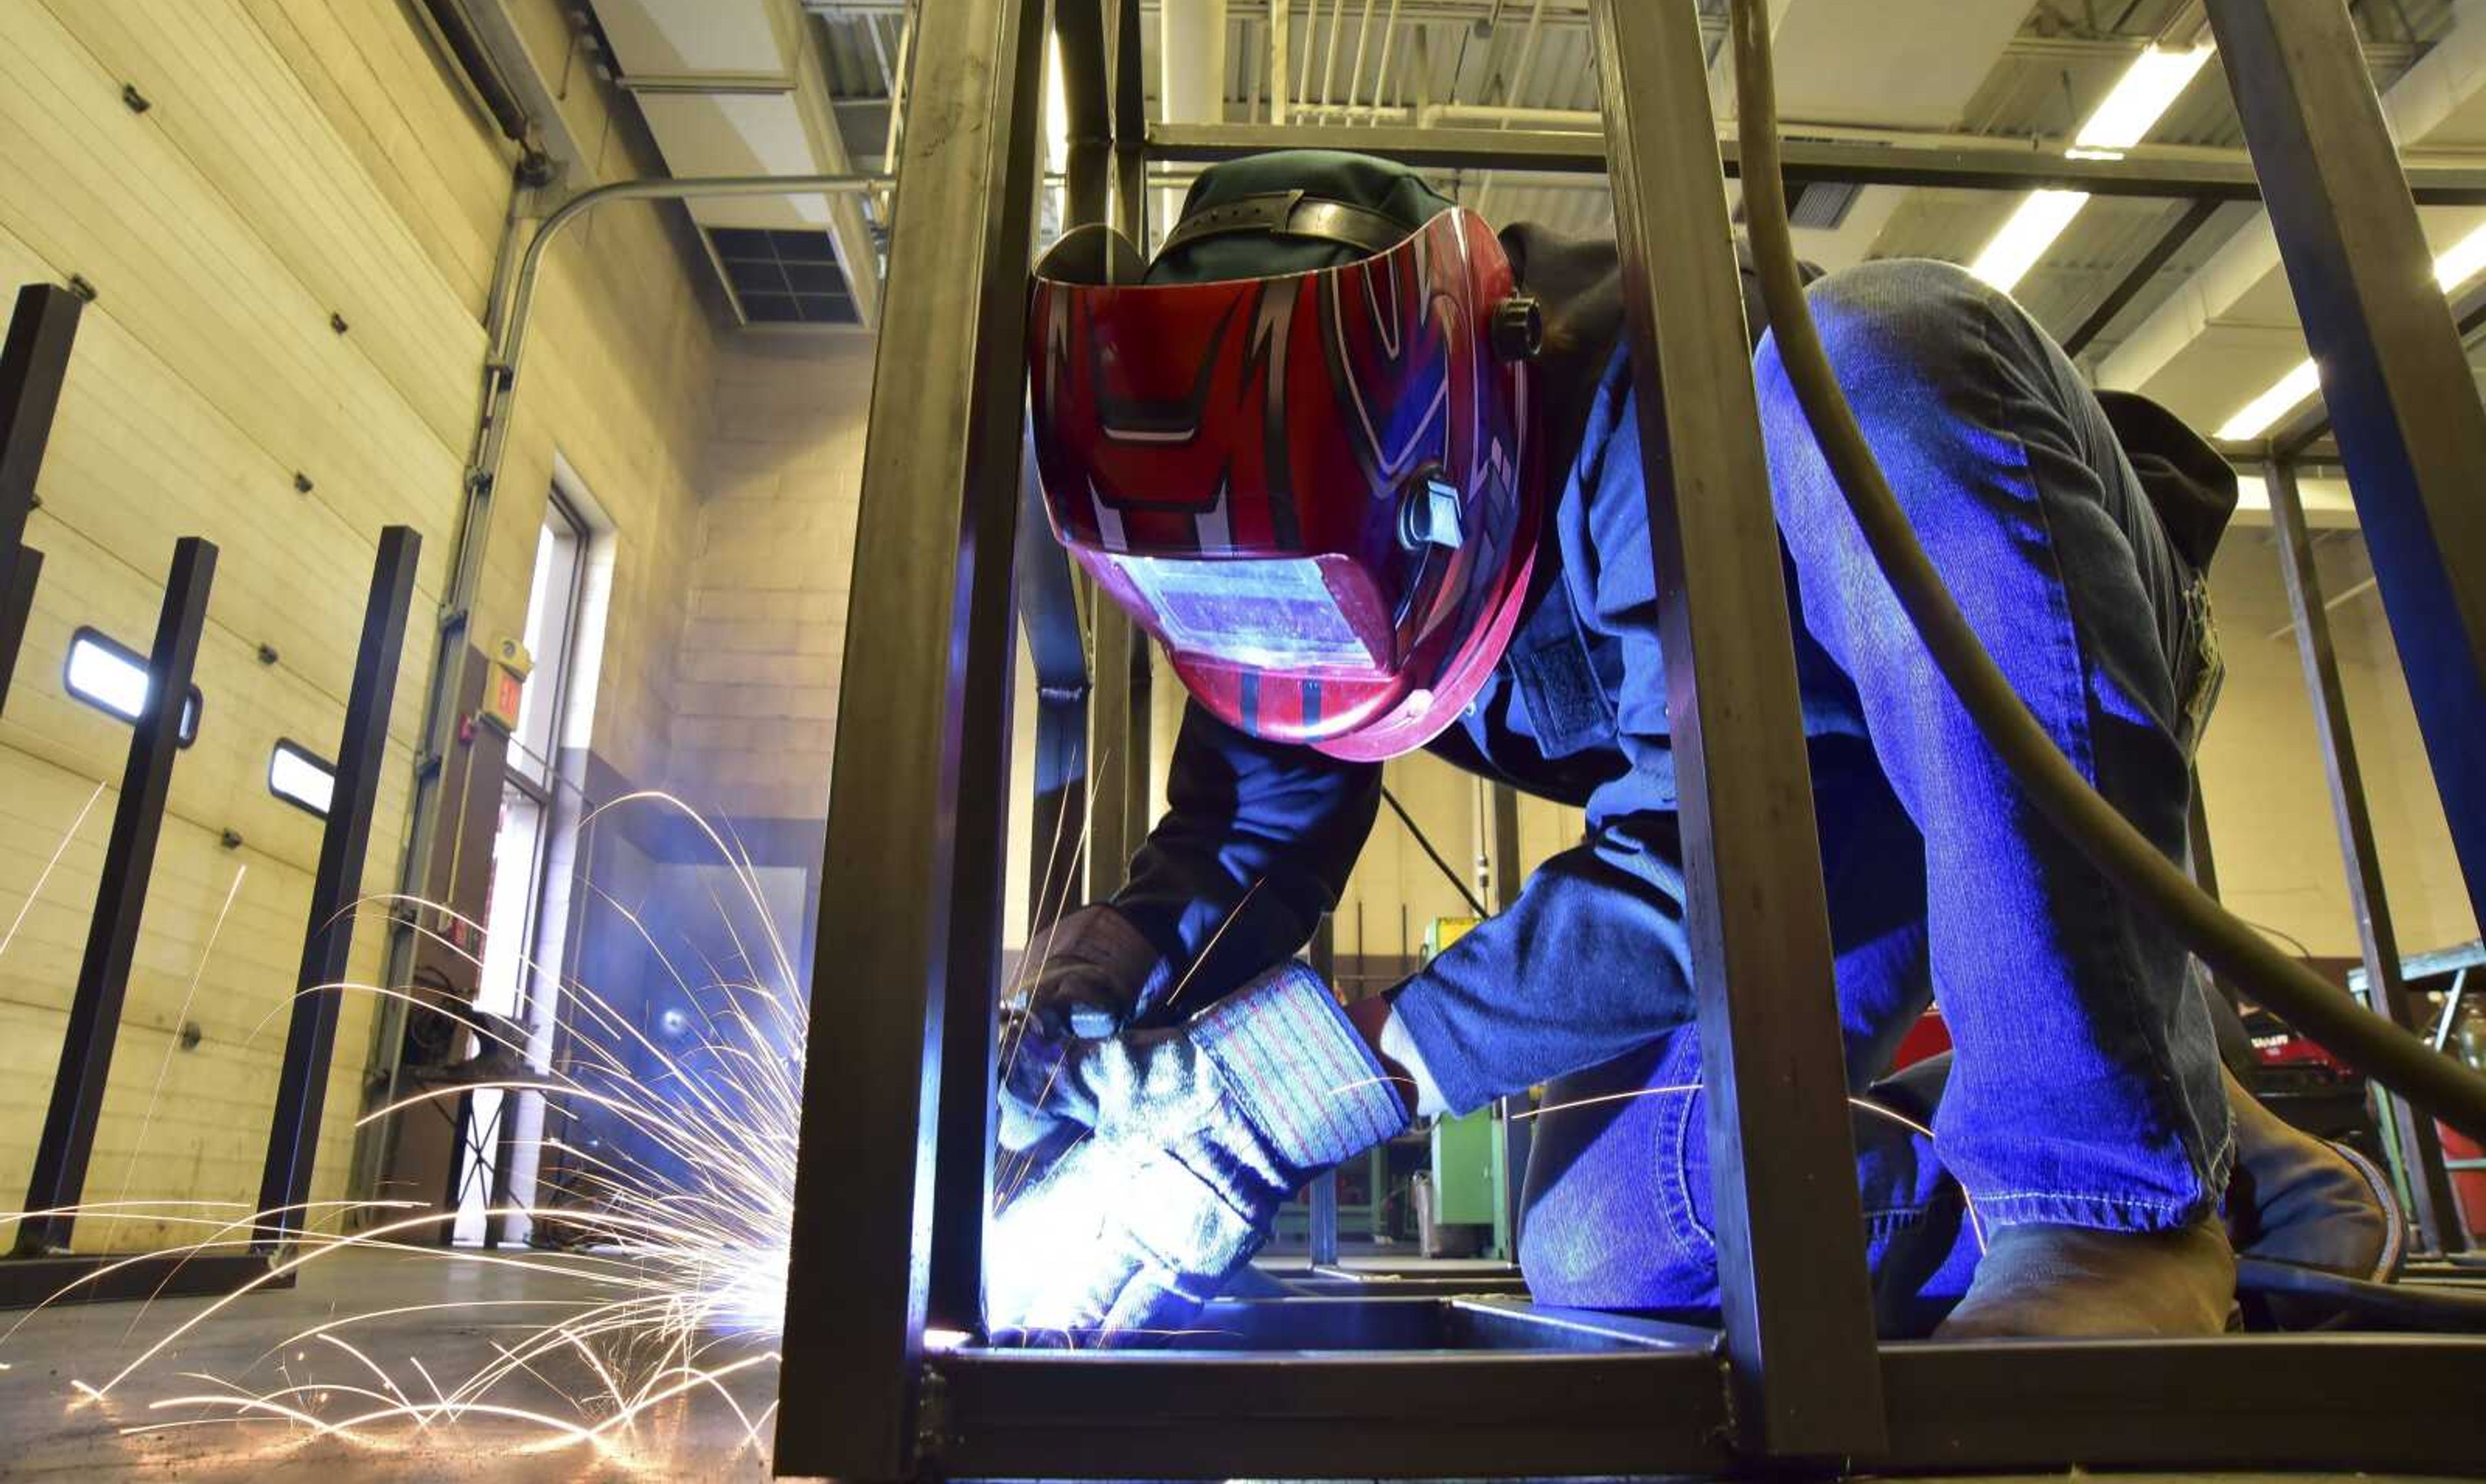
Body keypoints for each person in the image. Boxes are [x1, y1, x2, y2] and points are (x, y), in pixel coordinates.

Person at [987, 151, 2393, 1342]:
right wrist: (1122, 952)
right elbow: (1255, 830)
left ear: (1446, 448)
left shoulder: (1643, 412)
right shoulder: (1266, 526)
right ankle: (2194, 1123)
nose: (1316, 661)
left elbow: (1703, 852)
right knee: (1602, 1246)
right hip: (1810, 816)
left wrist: (1315, 1079)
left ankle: (2106, 1196)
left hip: (2007, 642)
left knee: (1877, 345)